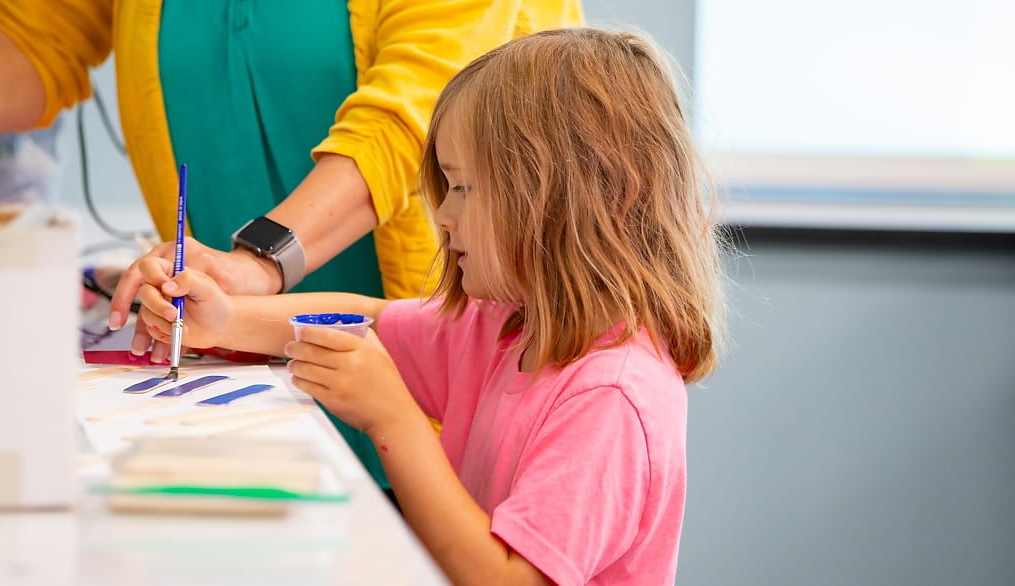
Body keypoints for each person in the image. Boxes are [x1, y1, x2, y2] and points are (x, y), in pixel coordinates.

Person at [0, 1, 584, 495]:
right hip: (233, 357)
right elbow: (43, 24)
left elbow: (416, 117)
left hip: (425, 365)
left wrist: (261, 262)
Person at [133, 28, 727, 584]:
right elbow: (371, 323)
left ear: (562, 201)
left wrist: (394, 423)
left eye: (462, 187)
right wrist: (226, 317)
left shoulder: (611, 397)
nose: (441, 216)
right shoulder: (509, 327)